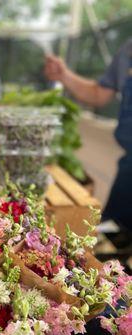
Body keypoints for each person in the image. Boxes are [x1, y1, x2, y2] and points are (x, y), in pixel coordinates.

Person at [44, 44, 132, 233]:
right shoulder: (127, 49)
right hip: (129, 168)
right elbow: (99, 94)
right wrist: (64, 75)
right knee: (114, 235)